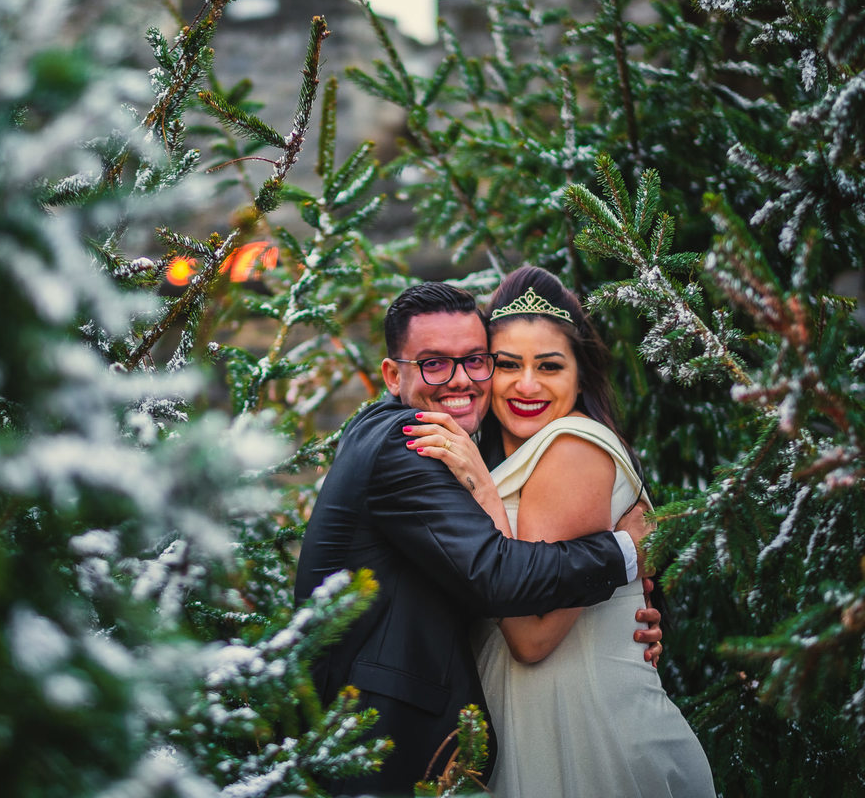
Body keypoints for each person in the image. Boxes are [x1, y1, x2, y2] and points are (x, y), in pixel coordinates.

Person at [293, 281, 661, 796]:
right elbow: (500, 577)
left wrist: (626, 611)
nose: (460, 380)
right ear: (392, 375)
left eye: (476, 360)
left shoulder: (460, 447)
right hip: (385, 744)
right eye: (434, 364)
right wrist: (629, 551)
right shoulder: (412, 441)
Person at [404, 266, 715, 796]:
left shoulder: (572, 445)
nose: (527, 385)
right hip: (538, 724)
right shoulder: (502, 456)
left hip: (594, 738)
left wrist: (482, 489)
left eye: (550, 366)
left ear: (580, 375)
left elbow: (532, 637)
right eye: (506, 365)